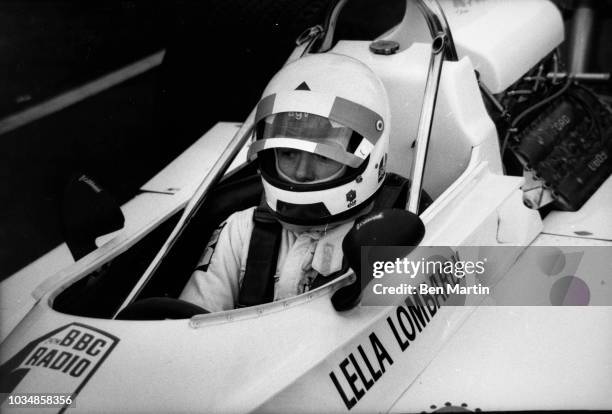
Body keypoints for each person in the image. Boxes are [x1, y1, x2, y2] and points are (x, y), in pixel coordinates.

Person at [179, 52, 394, 312]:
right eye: (289, 154)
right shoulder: (242, 231)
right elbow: (191, 328)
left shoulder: (405, 228)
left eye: (323, 156)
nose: (302, 173)